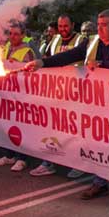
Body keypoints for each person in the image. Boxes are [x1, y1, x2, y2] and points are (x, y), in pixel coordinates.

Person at [24, 8, 109, 201]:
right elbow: (69, 56)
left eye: (105, 25)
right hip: (94, 103)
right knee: (96, 143)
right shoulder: (92, 42)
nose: (100, 29)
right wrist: (43, 63)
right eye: (99, 25)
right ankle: (99, 182)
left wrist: (102, 66)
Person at [31, 15, 84, 177]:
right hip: (56, 91)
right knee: (53, 127)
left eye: (66, 26)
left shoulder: (82, 40)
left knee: (77, 130)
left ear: (73, 25)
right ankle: (49, 162)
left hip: (77, 92)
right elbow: (46, 59)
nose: (63, 29)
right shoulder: (53, 40)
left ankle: (79, 164)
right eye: (60, 26)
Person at [0, 22, 35, 171]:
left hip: (20, 95)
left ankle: (22, 158)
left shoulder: (27, 51)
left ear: (23, 35)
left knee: (21, 127)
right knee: (8, 125)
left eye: (16, 34)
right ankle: (9, 155)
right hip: (6, 93)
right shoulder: (6, 49)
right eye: (10, 33)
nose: (12, 36)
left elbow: (29, 75)